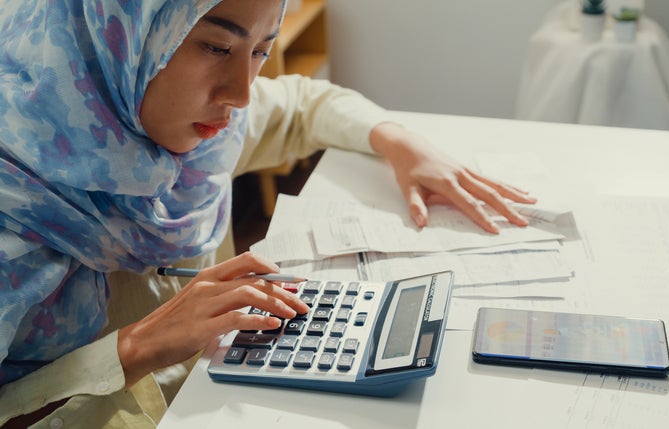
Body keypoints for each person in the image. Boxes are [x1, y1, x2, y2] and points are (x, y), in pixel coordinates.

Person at [0, 0, 536, 427]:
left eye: (261, 50)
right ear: (116, 34)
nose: (240, 93)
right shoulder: (14, 206)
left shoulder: (195, 140)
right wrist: (136, 346)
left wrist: (399, 141)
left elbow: (304, 103)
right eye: (215, 45)